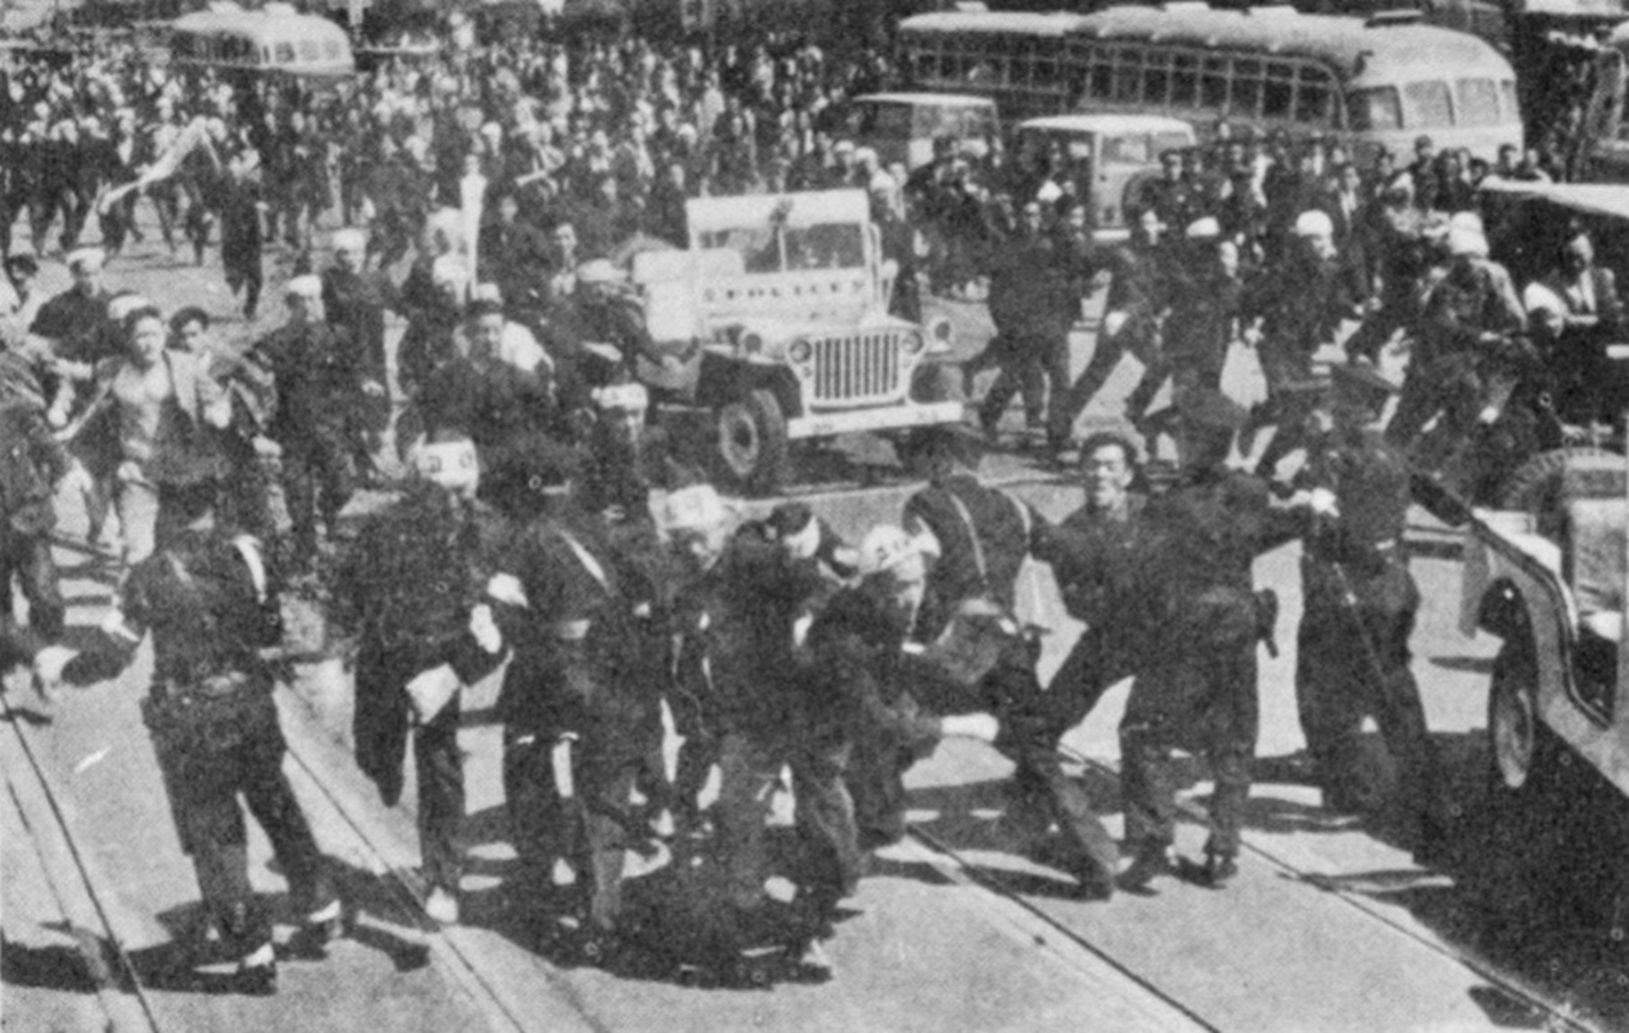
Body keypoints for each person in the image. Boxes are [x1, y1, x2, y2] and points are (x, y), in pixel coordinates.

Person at [50, 490, 341, 994]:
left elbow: (112, 654)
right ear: (215, 507)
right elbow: (272, 623)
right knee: (277, 804)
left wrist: (63, 668)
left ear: (164, 514)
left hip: (190, 723)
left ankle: (252, 950)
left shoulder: (146, 576)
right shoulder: (249, 554)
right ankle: (321, 906)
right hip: (252, 707)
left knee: (215, 834)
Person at [897, 426, 1121, 897]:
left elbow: (918, 573)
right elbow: (1072, 551)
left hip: (958, 641)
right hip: (1009, 640)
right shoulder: (1016, 507)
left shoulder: (925, 505)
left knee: (896, 720)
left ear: (939, 461)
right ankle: (1099, 857)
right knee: (1037, 750)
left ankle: (863, 823)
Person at [483, 456, 668, 961]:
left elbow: (502, 611)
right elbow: (652, 590)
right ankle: (600, 915)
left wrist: (533, 645)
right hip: (616, 669)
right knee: (605, 796)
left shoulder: (523, 541)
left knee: (524, 754)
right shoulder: (608, 531)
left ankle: (537, 868)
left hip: (557, 670)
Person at [661, 482, 841, 968]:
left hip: (797, 712)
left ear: (721, 528)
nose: (694, 550)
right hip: (743, 719)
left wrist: (803, 621)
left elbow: (821, 587)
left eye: (701, 537)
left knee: (810, 824)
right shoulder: (684, 578)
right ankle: (752, 911)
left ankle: (807, 929)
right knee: (743, 820)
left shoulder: (750, 558)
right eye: (682, 542)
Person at [1118, 391, 1293, 890]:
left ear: (1193, 440)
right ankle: (1222, 852)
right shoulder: (1250, 492)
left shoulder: (1169, 502)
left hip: (1184, 632)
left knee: (1143, 731)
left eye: (1181, 437)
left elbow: (1141, 565)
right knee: (1235, 741)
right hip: (1239, 629)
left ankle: (1154, 840)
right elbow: (1264, 533)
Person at [333, 434, 507, 926]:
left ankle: (443, 879)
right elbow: (351, 588)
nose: (452, 502)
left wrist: (456, 672)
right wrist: (345, 636)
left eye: (461, 490)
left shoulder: (489, 533)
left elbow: (504, 621)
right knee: (375, 750)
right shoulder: (385, 530)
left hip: (442, 660)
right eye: (440, 491)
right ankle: (384, 769)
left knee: (441, 770)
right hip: (386, 657)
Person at [1293, 363, 1453, 863]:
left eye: (1337, 401)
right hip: (1393, 594)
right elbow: (1439, 500)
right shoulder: (1393, 453)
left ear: (1349, 405)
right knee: (1391, 693)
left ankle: (1369, 796)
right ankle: (1418, 799)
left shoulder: (1339, 458)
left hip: (1345, 599)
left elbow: (1323, 525)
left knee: (1326, 691)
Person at [62, 305, 231, 568]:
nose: (149, 342)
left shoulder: (183, 365)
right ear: (128, 339)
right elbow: (87, 388)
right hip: (136, 470)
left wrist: (216, 411)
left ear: (164, 335)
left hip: (180, 468)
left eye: (155, 333)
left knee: (180, 547)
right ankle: (128, 603)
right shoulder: (113, 368)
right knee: (136, 548)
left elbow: (215, 396)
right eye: (141, 336)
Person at [1033, 432, 1156, 741]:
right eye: (1093, 466)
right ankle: (1036, 770)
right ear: (1081, 473)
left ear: (1127, 476)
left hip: (1165, 633)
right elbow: (1076, 602)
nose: (1101, 475)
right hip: (1114, 634)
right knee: (1053, 711)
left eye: (1111, 467)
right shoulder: (1072, 532)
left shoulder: (1157, 515)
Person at [246, 275, 361, 573]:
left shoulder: (339, 336)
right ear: (290, 306)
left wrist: (361, 395)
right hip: (291, 430)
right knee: (298, 494)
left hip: (330, 426)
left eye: (315, 299)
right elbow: (249, 375)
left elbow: (354, 375)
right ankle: (305, 550)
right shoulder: (275, 342)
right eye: (301, 302)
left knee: (343, 485)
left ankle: (328, 513)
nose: (310, 307)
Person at [1047, 207, 1168, 447]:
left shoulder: (1159, 254)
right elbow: (1082, 266)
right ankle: (1059, 427)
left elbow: (1162, 287)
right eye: (1143, 223)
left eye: (1152, 223)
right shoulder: (1119, 251)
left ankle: (1134, 408)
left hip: (1142, 323)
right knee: (1096, 374)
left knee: (1161, 364)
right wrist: (1086, 285)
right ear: (1133, 227)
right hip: (1116, 323)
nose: (1148, 229)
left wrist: (1162, 310)